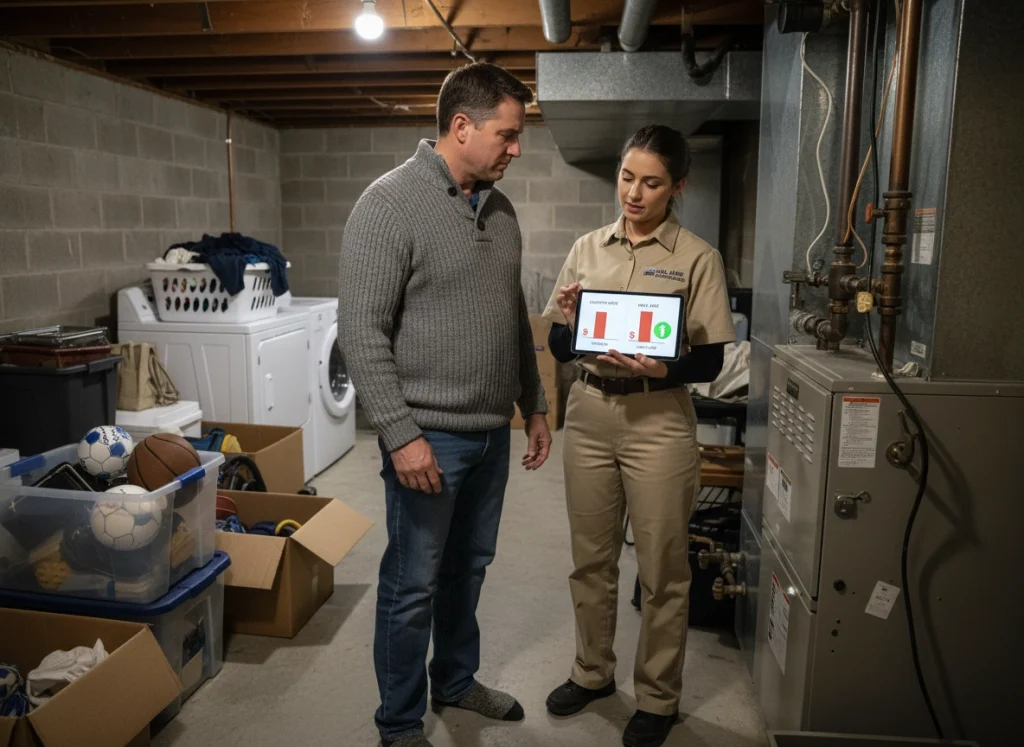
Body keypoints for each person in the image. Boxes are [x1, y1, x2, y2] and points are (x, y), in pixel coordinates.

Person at [337, 63, 553, 747]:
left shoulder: (502, 211)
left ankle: (456, 681)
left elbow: (512, 320)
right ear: (462, 126)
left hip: (490, 435)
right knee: (413, 586)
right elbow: (361, 332)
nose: (516, 148)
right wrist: (401, 435)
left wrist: (535, 403)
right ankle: (400, 724)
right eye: (507, 135)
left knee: (469, 569)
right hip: (428, 435)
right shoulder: (388, 204)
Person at [541, 124, 736, 747]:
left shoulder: (698, 257)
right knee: (591, 558)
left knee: (662, 568)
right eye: (627, 177)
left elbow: (710, 359)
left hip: (659, 420)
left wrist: (660, 368)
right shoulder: (587, 248)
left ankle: (657, 696)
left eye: (651, 183)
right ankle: (592, 672)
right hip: (590, 413)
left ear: (678, 187)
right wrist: (570, 320)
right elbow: (560, 344)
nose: (634, 193)